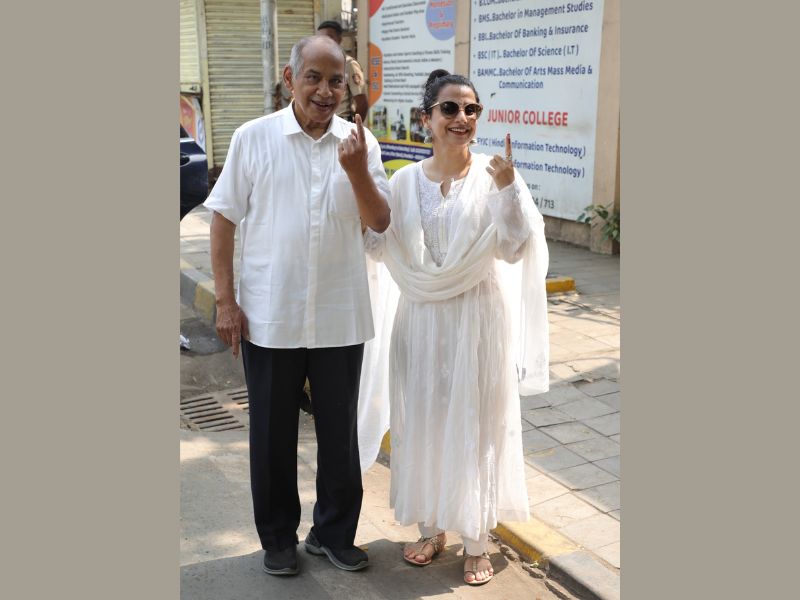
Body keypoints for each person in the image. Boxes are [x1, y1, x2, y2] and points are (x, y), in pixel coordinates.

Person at [203, 35, 390, 576]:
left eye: (336, 81)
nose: (325, 91)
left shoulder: (360, 144)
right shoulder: (253, 137)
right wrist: (226, 302)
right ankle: (278, 538)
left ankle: (332, 534)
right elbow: (223, 220)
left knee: (340, 435)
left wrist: (356, 170)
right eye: (314, 78)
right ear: (291, 80)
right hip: (270, 316)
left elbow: (380, 222)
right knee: (271, 435)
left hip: (339, 314)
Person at [361, 69, 550, 585]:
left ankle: (476, 538)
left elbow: (514, 249)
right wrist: (357, 186)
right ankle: (430, 528)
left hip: (477, 317)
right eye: (450, 108)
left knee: (476, 424)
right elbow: (377, 247)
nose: (462, 118)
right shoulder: (404, 181)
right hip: (420, 319)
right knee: (423, 421)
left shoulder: (495, 174)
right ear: (427, 118)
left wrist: (508, 189)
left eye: (471, 109)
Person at [316, 20, 368, 122]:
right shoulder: (317, 65)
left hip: (342, 121)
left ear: (339, 40)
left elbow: (362, 102)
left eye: (329, 38)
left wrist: (354, 126)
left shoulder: (348, 64)